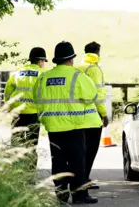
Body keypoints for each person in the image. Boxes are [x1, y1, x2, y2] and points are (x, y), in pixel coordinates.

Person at [33, 41, 99, 204]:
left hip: (53, 127)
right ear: (71, 59)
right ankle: (79, 195)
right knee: (77, 161)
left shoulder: (44, 77)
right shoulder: (77, 76)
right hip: (73, 126)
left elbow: (36, 97)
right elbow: (92, 95)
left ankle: (61, 195)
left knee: (58, 161)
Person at [4, 47, 47, 165]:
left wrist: (8, 106)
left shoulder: (18, 72)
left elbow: (8, 90)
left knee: (16, 143)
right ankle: (30, 173)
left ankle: (15, 171)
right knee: (32, 145)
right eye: (44, 61)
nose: (44, 64)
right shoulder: (43, 74)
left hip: (17, 113)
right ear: (40, 61)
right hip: (33, 114)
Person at [77, 41, 109, 190]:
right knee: (91, 149)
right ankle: (84, 179)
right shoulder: (94, 69)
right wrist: (103, 113)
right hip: (93, 114)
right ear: (98, 52)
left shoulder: (79, 67)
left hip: (78, 114)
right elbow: (97, 94)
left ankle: (82, 177)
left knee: (82, 148)